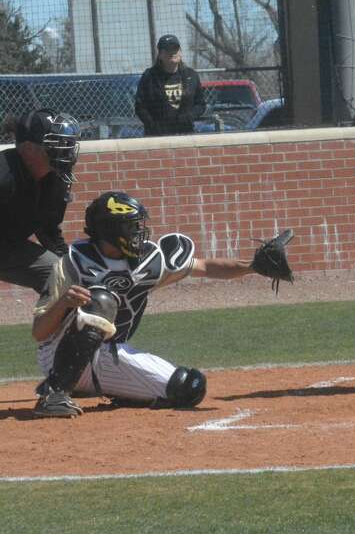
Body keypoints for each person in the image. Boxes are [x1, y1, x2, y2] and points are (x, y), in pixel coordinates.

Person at [30, 191, 280, 418]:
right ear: (110, 229)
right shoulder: (73, 262)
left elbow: (205, 266)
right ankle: (55, 393)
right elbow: (39, 332)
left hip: (106, 354)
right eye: (131, 226)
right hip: (57, 352)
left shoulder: (148, 260)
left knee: (188, 387)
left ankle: (92, 387)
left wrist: (252, 266)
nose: (139, 232)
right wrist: (64, 302)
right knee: (101, 300)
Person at [0, 109, 81, 296]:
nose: (66, 151)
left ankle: (62, 324)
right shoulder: (4, 175)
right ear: (28, 148)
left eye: (67, 144)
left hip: (8, 248)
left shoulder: (57, 181)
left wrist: (71, 265)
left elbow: (48, 229)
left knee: (63, 276)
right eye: (56, 144)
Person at [134, 34, 205, 136]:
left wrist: (190, 116)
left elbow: (200, 104)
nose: (172, 53)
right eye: (167, 50)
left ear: (180, 52)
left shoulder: (191, 75)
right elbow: (140, 106)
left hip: (185, 133)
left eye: (175, 49)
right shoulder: (149, 76)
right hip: (157, 136)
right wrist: (153, 125)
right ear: (160, 54)